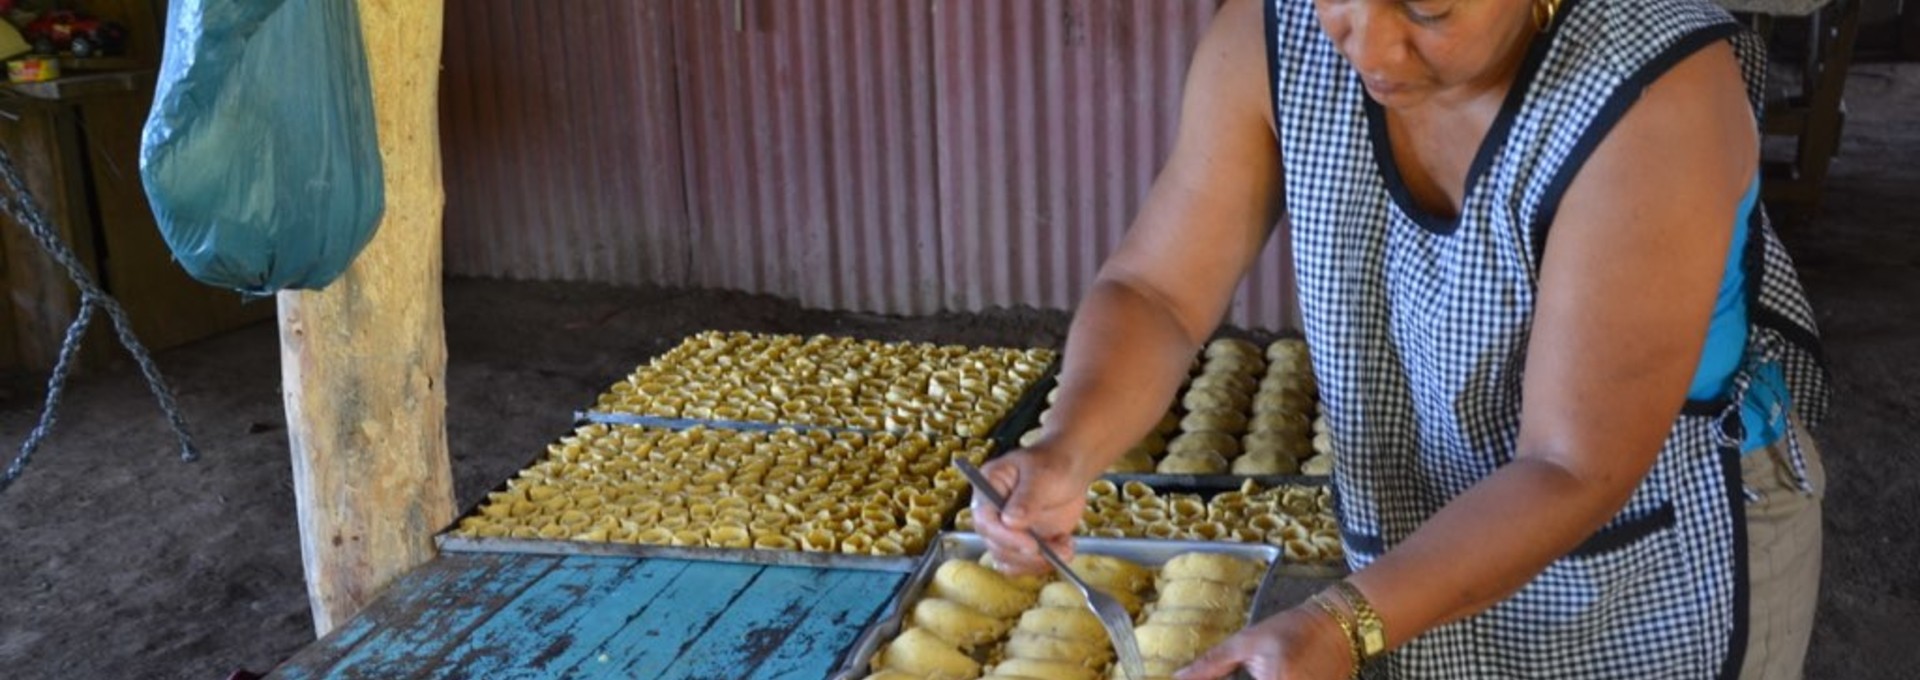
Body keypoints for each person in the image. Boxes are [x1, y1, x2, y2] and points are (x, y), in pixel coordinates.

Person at [969, 0, 1832, 677]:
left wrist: (1342, 623)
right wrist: (1069, 447)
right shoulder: (1268, 39)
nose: (1372, 48)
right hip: (1427, 529)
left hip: (1649, 551)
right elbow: (1157, 292)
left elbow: (1573, 467)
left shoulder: (1651, 90)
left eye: (1428, 9)